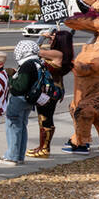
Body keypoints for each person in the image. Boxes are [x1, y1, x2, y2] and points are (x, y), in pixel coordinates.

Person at [27, 28, 74, 157]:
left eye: (54, 37)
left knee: (45, 119)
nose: (51, 37)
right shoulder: (63, 53)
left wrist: (42, 37)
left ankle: (45, 149)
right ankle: (42, 146)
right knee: (44, 119)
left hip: (49, 91)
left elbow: (31, 50)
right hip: (54, 89)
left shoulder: (56, 53)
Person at [0, 40, 42, 165]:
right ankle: (19, 156)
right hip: (30, 100)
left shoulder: (27, 65)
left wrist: (10, 77)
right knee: (22, 127)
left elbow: (20, 86)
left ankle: (12, 156)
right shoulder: (38, 62)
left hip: (19, 99)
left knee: (13, 127)